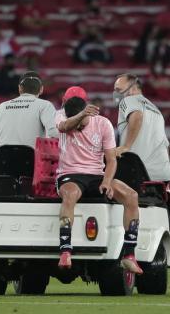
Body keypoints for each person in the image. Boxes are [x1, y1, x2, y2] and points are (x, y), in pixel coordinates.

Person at [56, 87, 142, 274]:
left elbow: (111, 160)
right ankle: (65, 250)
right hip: (70, 173)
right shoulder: (61, 116)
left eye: (83, 123)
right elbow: (63, 127)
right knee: (70, 194)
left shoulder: (103, 124)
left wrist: (106, 181)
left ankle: (129, 255)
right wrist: (80, 117)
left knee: (131, 196)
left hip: (96, 175)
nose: (79, 128)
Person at [113, 73, 170, 182]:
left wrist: (126, 146)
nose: (116, 94)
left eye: (119, 90)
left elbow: (137, 115)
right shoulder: (156, 110)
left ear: (133, 88)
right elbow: (165, 145)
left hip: (138, 173)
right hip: (162, 175)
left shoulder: (128, 100)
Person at [0, 71, 58, 149]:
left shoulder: (2, 106)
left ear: (20, 88)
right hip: (30, 157)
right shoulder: (45, 105)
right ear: (41, 89)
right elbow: (53, 133)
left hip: (4, 158)